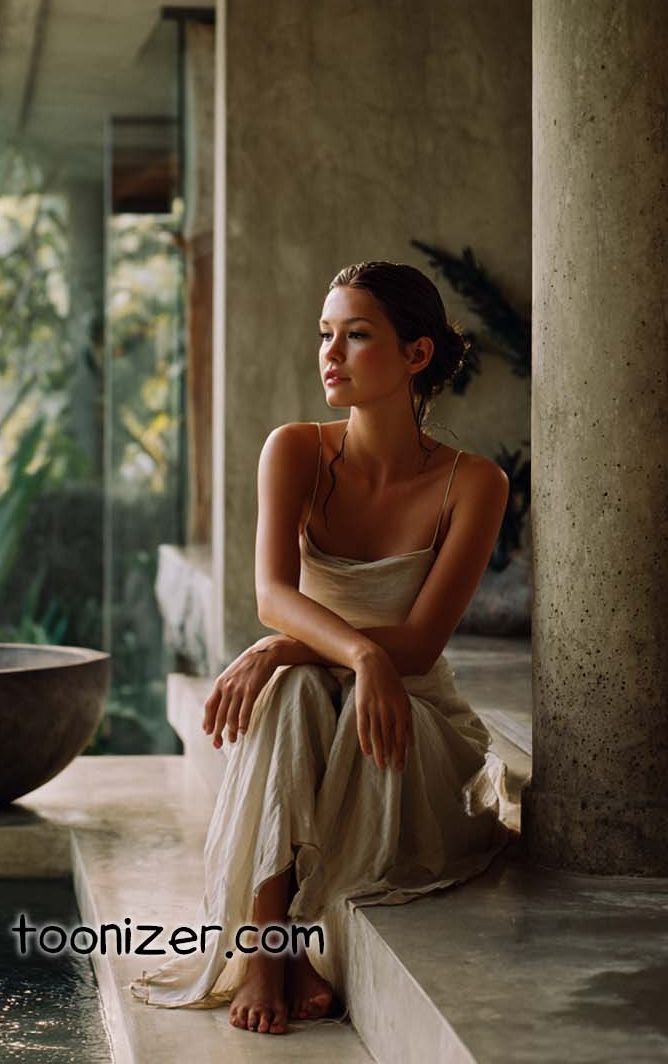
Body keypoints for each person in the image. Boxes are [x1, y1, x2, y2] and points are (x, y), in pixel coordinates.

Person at [129, 260, 519, 1034]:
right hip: (329, 695)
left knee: (300, 682)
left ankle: (288, 939)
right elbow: (273, 598)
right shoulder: (296, 450)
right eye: (324, 335)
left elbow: (418, 644)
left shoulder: (474, 484)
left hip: (410, 712)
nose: (330, 354)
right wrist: (349, 654)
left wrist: (290, 650)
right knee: (301, 694)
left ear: (416, 355)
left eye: (357, 335)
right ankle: (274, 946)